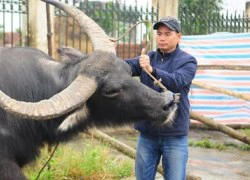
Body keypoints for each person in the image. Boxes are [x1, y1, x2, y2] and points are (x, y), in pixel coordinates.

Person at [124, 16, 197, 180]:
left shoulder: (188, 61)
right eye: (159, 33)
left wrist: (152, 70)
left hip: (175, 135)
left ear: (179, 36)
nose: (162, 38)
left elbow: (177, 82)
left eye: (167, 34)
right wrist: (109, 53)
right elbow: (124, 66)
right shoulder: (148, 57)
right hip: (147, 134)